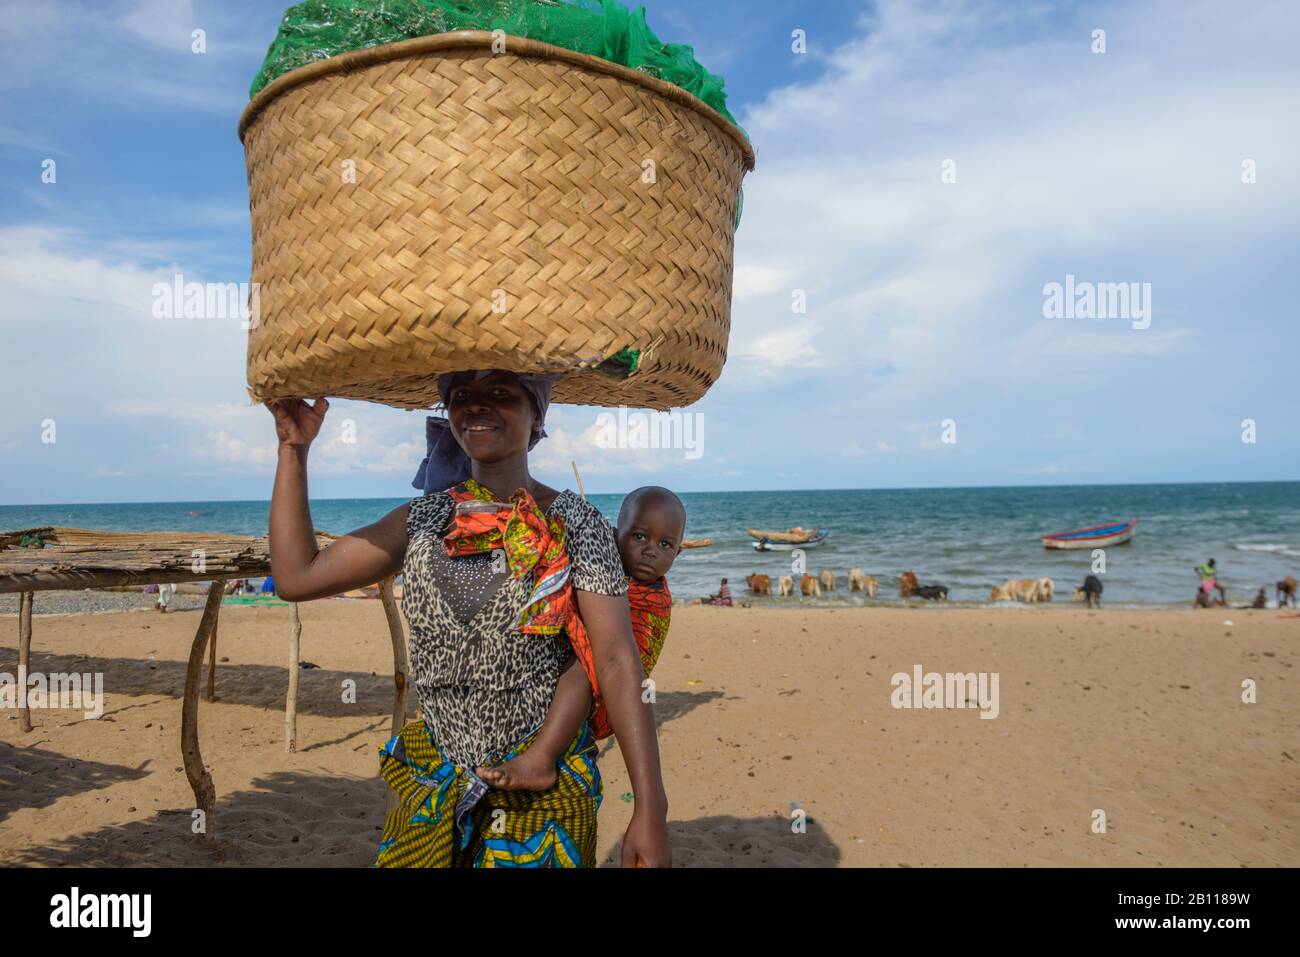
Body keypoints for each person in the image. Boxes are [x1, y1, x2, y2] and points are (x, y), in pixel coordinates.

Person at [266, 371, 670, 867]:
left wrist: (650, 807)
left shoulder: (576, 522)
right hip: (433, 787)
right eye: (462, 397)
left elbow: (615, 660)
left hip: (542, 792)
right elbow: (296, 577)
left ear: (536, 415)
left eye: (500, 393)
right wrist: (294, 449)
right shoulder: (424, 519)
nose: (476, 407)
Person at [477, 486, 686, 790]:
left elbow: (619, 651)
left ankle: (541, 759)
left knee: (581, 671)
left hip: (618, 691)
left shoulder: (650, 597)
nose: (651, 550)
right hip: (608, 687)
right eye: (639, 536)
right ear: (615, 536)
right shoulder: (607, 571)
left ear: (677, 553)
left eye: (665, 544)